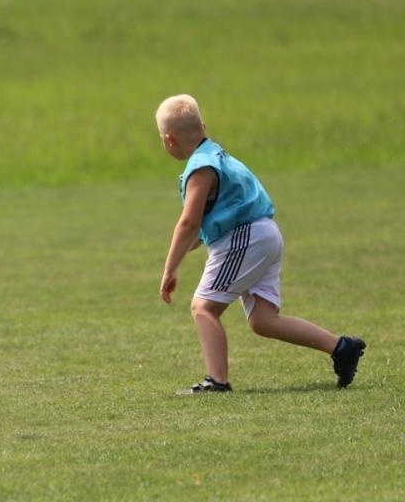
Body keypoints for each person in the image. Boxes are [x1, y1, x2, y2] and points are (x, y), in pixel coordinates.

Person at [155, 94, 365, 394]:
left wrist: (169, 269)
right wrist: (185, 248)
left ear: (168, 141)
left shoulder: (200, 168)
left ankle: (217, 381)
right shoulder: (218, 155)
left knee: (203, 308)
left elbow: (189, 222)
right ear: (202, 125)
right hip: (265, 233)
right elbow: (206, 223)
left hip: (244, 239)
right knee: (263, 321)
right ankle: (342, 347)